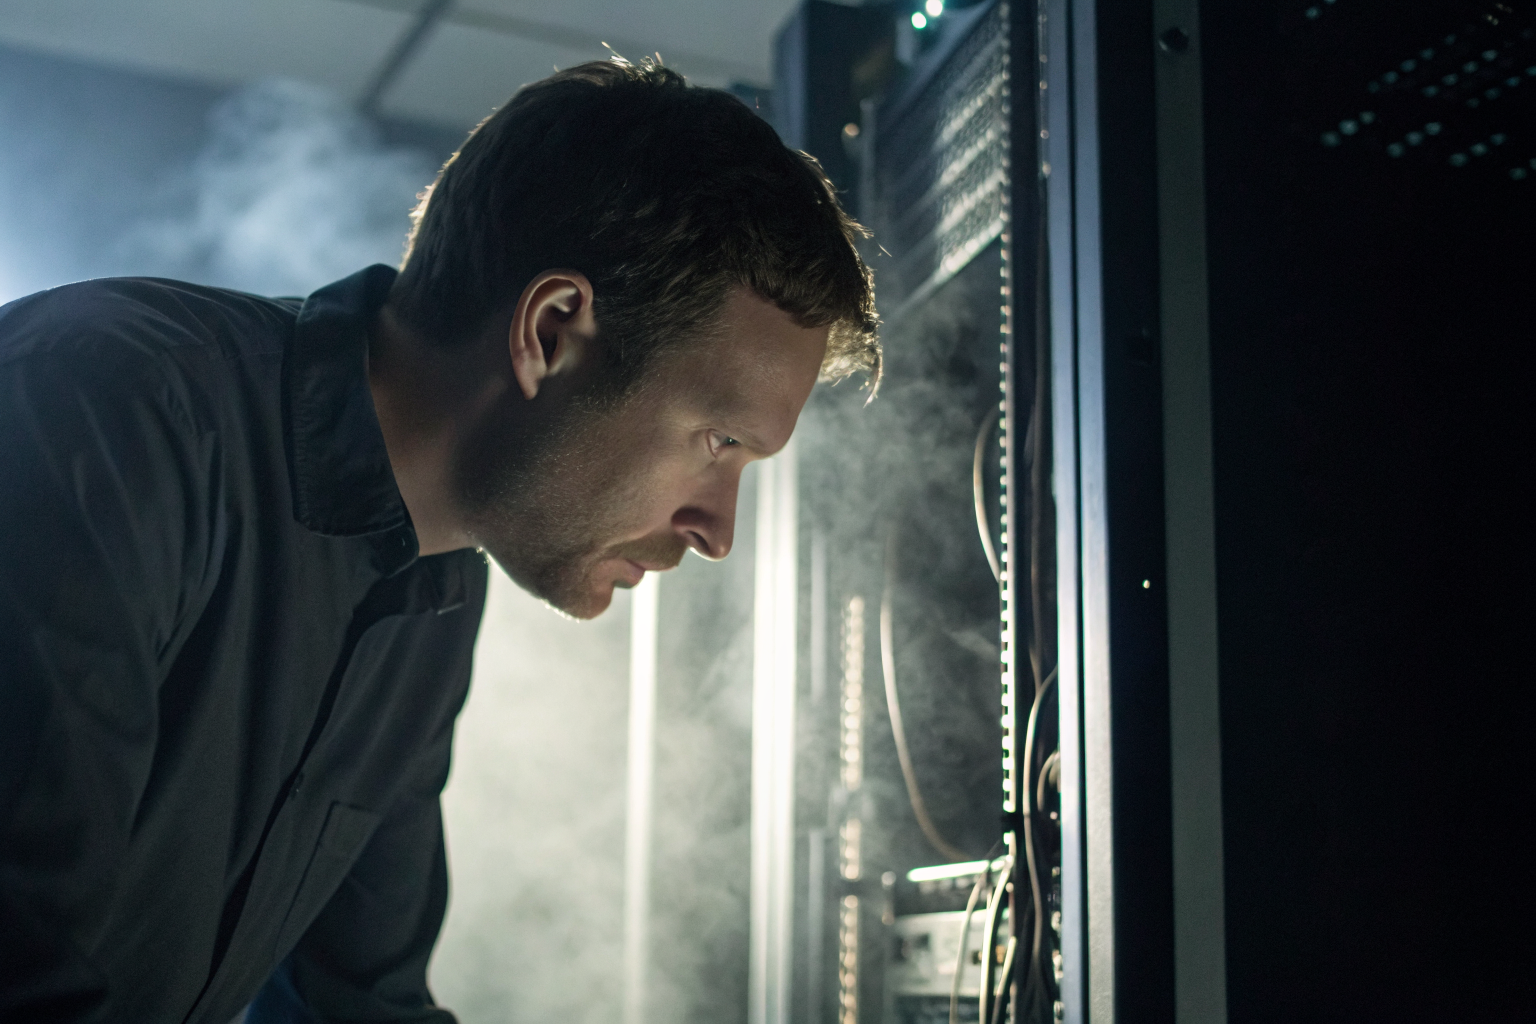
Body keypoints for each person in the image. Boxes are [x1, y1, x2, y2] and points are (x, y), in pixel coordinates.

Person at [0, 59, 878, 1023]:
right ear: (549, 331)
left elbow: (359, 1001)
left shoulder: (440, 589)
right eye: (720, 442)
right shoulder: (104, 408)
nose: (717, 532)